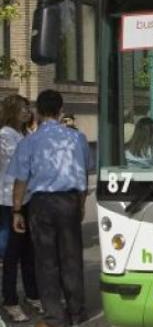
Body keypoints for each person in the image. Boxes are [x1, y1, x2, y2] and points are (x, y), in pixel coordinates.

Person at [7, 90, 90, 327]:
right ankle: (77, 311)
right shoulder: (78, 138)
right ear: (61, 110)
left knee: (46, 261)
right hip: (70, 201)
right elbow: (83, 173)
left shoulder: (29, 142)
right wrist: (81, 204)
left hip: (41, 204)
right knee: (71, 257)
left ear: (38, 112)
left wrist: (16, 211)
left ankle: (55, 316)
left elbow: (21, 180)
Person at [0, 95, 40, 322]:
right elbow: (22, 165)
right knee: (11, 254)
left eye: (29, 108)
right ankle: (10, 300)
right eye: (23, 108)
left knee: (28, 252)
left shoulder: (26, 134)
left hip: (27, 199)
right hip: (9, 201)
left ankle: (32, 293)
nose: (27, 112)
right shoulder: (5, 136)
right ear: (13, 110)